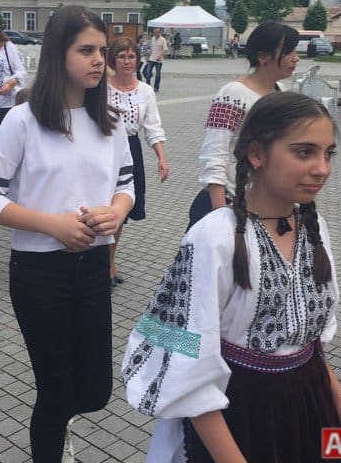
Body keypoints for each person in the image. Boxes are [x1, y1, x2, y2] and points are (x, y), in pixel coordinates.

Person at [123, 91, 341, 463]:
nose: (322, 168)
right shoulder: (213, 236)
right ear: (257, 154)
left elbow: (312, 344)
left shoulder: (315, 228)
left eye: (328, 153)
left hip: (310, 405)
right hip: (238, 416)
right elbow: (185, 363)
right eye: (304, 152)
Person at [0, 6, 134, 462]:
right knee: (55, 389)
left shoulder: (110, 120)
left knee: (97, 389)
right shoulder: (23, 121)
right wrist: (53, 225)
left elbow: (127, 185)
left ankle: (60, 424)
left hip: (94, 267)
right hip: (39, 271)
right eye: (86, 50)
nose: (99, 60)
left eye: (102, 50)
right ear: (57, 53)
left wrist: (115, 213)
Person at [192, 22, 299, 226]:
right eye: (289, 52)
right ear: (263, 57)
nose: (296, 58)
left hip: (263, 205)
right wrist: (220, 214)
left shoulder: (281, 91)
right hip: (230, 203)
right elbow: (214, 153)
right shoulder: (233, 94)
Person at [106, 36, 168, 287]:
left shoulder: (145, 91)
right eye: (121, 56)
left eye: (131, 56)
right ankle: (98, 261)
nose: (127, 61)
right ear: (113, 59)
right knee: (101, 203)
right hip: (103, 148)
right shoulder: (101, 87)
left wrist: (161, 158)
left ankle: (109, 262)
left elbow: (153, 127)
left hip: (130, 150)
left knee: (120, 210)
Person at [143, 27, 167, 92]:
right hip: (151, 59)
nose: (155, 34)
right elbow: (151, 48)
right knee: (148, 72)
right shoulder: (153, 39)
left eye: (156, 32)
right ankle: (148, 86)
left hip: (159, 60)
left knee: (158, 74)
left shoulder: (163, 40)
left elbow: (165, 50)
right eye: (154, 32)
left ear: (159, 33)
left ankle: (156, 87)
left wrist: (160, 56)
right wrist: (148, 56)